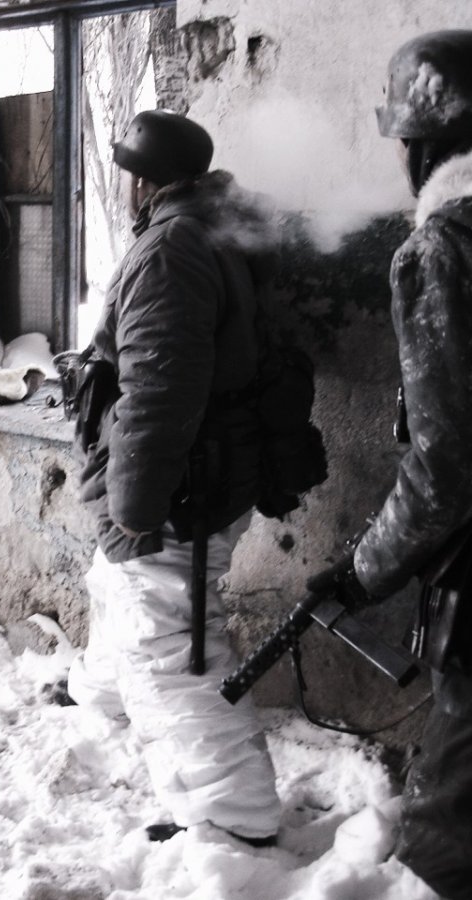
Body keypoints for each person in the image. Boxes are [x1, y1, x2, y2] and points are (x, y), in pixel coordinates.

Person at [66, 109, 282, 846]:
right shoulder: (212, 228)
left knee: (166, 644)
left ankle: (237, 816)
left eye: (127, 174)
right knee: (118, 587)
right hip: (205, 469)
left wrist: (134, 509)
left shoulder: (170, 249)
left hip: (180, 483)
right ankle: (102, 696)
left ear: (143, 182)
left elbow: (159, 390)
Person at [308, 31, 472, 899]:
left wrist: (364, 570)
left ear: (424, 144)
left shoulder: (443, 249)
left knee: (448, 843)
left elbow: (447, 465)